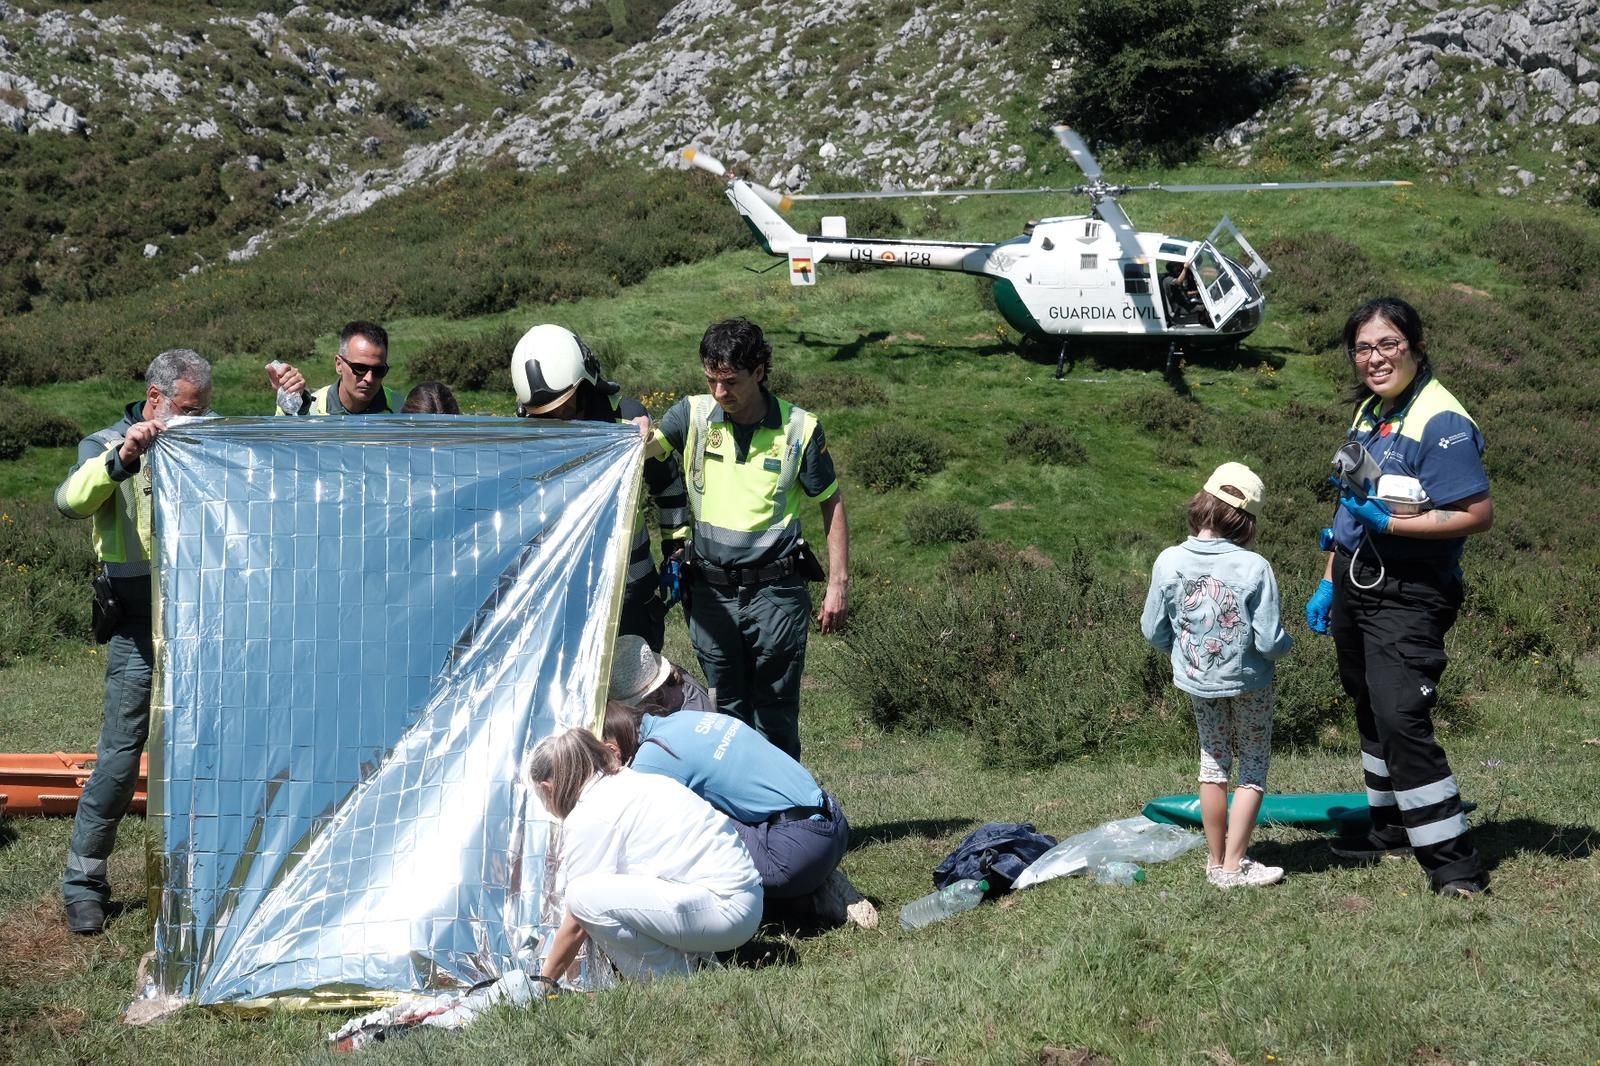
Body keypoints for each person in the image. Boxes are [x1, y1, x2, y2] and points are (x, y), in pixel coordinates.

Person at [1304, 296, 1493, 899]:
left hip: (1410, 592)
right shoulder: (1371, 411)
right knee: (1368, 706)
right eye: (1363, 348)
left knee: (1399, 716)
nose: (1375, 357)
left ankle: (1453, 864)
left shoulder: (1440, 420)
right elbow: (1349, 499)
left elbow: (1476, 513)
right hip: (1358, 583)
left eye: (1387, 344)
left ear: (1414, 344)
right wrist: (1329, 579)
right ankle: (1390, 827)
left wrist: (1392, 526)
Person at [53, 348, 213, 934]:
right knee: (122, 756)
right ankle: (84, 882)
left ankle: (203, 876)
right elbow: (69, 501)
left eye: (201, 410)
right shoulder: (102, 443)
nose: (194, 421)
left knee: (206, 747)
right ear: (155, 399)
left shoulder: (199, 440)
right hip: (135, 624)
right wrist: (124, 457)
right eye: (186, 410)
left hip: (200, 619)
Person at [646, 319, 849, 758]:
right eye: (712, 381)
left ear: (759, 371)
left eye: (731, 382)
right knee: (726, 713)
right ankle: (739, 819)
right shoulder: (692, 415)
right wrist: (633, 434)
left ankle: (787, 815)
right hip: (710, 595)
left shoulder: (800, 428)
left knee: (775, 710)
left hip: (774, 594)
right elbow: (646, 450)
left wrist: (837, 584)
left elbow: (830, 503)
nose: (720, 393)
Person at [1141, 462, 1293, 889]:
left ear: (1202, 503)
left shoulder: (1169, 560)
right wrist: (1288, 646)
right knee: (1253, 768)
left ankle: (1214, 861)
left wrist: (1182, 655)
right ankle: (1233, 866)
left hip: (1196, 680)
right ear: (1245, 519)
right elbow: (1267, 641)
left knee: (1213, 762)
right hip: (1250, 682)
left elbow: (1153, 630)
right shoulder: (1255, 567)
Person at [601, 694, 877, 928]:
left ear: (612, 750)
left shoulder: (652, 760)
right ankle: (816, 879)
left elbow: (625, 826)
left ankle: (810, 898)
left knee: (684, 829)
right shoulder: (682, 719)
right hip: (833, 821)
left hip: (796, 850)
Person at [528, 727, 762, 982]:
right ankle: (698, 966)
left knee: (581, 896)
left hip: (724, 908)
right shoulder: (633, 782)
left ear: (548, 788)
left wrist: (545, 981)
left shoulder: (590, 814)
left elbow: (577, 919)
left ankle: (672, 980)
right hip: (743, 898)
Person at [511, 323, 688, 652]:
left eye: (563, 407)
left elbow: (669, 484)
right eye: (545, 415)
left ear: (585, 386)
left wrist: (675, 550)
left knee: (635, 698)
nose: (557, 422)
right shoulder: (528, 435)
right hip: (562, 598)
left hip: (630, 595)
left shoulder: (628, 423)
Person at [267, 320, 403, 415]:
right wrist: (290, 401)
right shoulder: (310, 409)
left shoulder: (402, 410)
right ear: (339, 364)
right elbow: (284, 444)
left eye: (379, 370)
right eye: (360, 368)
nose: (369, 378)